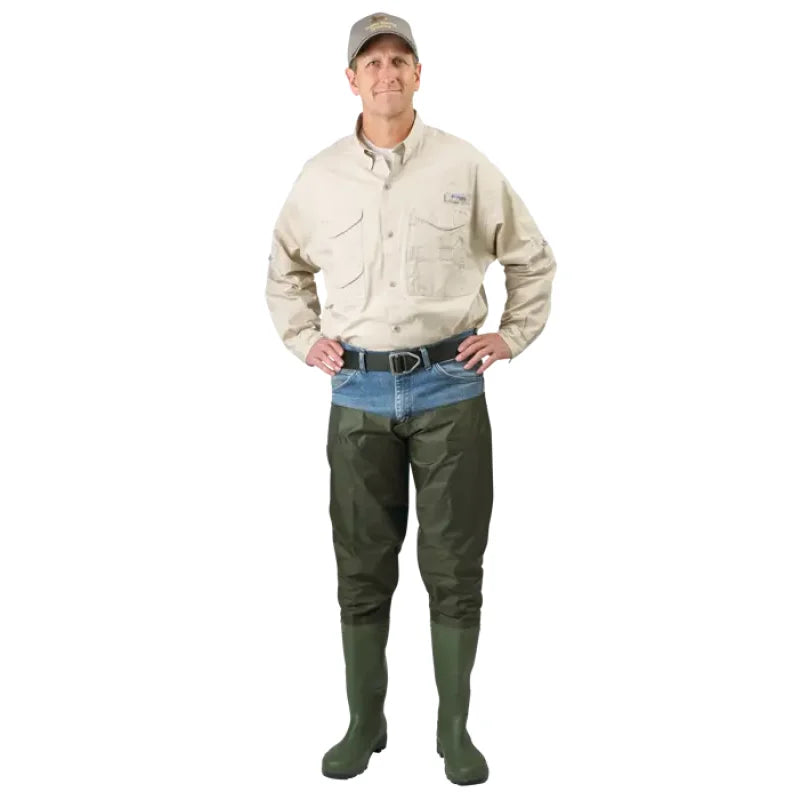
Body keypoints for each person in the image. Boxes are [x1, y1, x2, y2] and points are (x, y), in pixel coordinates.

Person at [265, 11, 556, 786]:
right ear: (351, 79)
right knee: (361, 567)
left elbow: (531, 258)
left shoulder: (464, 165)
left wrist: (511, 335)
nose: (386, 75)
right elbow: (284, 269)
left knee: (455, 566)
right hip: (356, 390)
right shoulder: (319, 176)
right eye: (372, 63)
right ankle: (365, 722)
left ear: (419, 75)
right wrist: (305, 340)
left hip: (450, 387)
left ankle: (454, 730)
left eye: (400, 61)